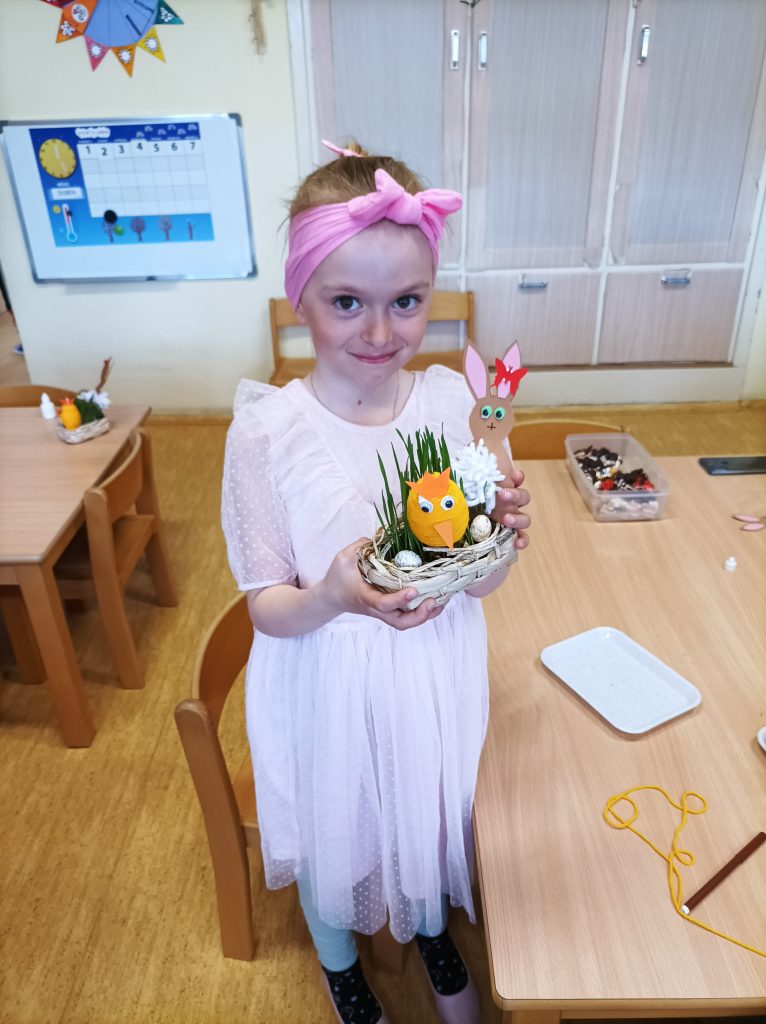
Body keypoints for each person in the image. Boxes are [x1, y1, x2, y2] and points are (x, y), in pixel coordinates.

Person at [221, 140, 531, 1024]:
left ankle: (427, 923)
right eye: (346, 302)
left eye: (407, 302)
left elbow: (479, 585)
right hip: (322, 680)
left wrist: (501, 539)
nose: (381, 332)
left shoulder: (451, 406)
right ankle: (340, 962)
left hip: (428, 674)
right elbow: (266, 607)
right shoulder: (267, 434)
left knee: (421, 807)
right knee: (335, 823)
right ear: (300, 298)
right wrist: (330, 595)